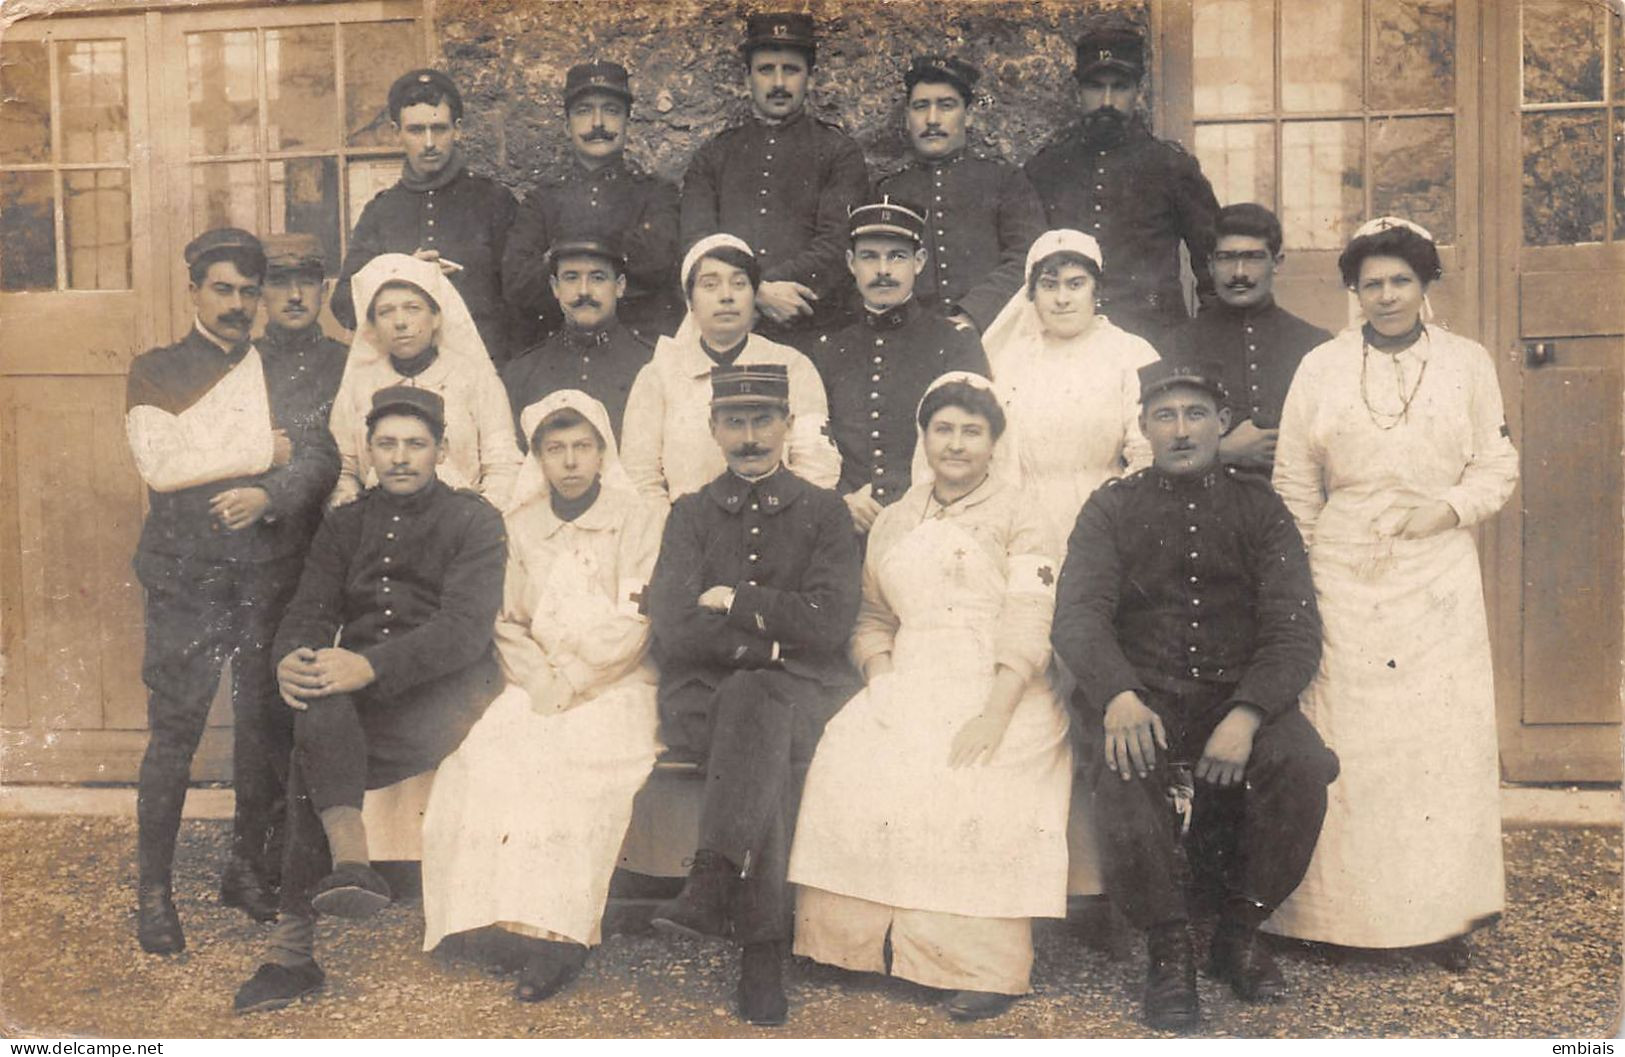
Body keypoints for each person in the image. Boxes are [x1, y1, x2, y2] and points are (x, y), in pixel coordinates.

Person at [1263, 217, 1520, 969]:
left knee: (1432, 747)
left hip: (1434, 572)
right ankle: (1334, 918)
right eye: (1370, 282)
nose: (1385, 295)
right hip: (1342, 575)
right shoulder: (1321, 367)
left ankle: (1439, 915)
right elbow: (1292, 481)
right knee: (1349, 743)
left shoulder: (1466, 364)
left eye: (1399, 280)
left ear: (1423, 285)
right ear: (1353, 290)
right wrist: (1306, 575)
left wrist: (1443, 510)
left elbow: (1494, 467)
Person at [1050, 359, 1337, 1030]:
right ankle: (1167, 947)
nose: (1180, 430)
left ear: (1220, 422)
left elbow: (1294, 628)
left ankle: (1239, 931)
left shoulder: (1260, 509)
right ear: (1143, 426)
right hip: (1143, 697)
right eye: (1164, 416)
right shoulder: (1111, 505)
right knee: (1123, 765)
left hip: (1235, 697)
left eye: (1195, 414)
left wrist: (1247, 712)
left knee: (1300, 762)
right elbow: (1077, 616)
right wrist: (1117, 693)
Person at [789, 372, 1071, 1023]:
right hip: (910, 675)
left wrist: (995, 709)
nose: (956, 443)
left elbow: (1031, 615)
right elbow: (870, 615)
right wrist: (881, 678)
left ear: (993, 441)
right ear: (924, 436)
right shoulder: (893, 518)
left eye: (972, 430)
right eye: (943, 428)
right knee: (850, 748)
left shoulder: (1022, 513)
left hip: (1001, 680)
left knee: (971, 774)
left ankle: (979, 964)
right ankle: (853, 946)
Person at [233, 386, 507, 1014]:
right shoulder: (346, 521)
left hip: (447, 694)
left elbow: (463, 632)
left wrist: (366, 666)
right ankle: (351, 868)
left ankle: (293, 953)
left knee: (313, 742)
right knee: (314, 702)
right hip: (355, 694)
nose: (401, 457)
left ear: (441, 449)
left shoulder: (474, 519)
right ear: (369, 449)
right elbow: (309, 608)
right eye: (387, 444)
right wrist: (293, 661)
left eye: (416, 444)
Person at [125, 228, 339, 953]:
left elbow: (314, 450)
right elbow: (161, 463)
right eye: (223, 289)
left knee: (262, 726)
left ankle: (245, 868)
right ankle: (153, 891)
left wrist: (269, 495)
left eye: (249, 292)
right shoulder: (156, 369)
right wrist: (257, 452)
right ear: (193, 292)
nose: (238, 305)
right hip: (185, 576)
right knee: (176, 730)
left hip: (262, 571)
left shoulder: (276, 368)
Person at [421, 389, 667, 1003]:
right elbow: (507, 621)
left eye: (583, 446)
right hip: (537, 682)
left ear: (602, 452)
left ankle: (557, 935)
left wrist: (578, 680)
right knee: (484, 756)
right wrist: (541, 682)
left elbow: (636, 620)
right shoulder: (520, 525)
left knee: (570, 770)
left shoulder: (637, 521)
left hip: (615, 684)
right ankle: (494, 920)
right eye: (555, 449)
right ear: (538, 457)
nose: (570, 461)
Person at [645, 363, 862, 1026]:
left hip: (802, 693)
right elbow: (673, 624)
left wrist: (739, 601)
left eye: (761, 420)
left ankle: (714, 879)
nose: (749, 437)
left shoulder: (824, 511)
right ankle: (759, 951)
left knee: (757, 714)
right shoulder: (689, 513)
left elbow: (831, 621)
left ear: (787, 425)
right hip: (709, 695)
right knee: (752, 710)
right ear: (712, 429)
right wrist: (765, 646)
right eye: (734, 422)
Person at [236, 232, 353, 900]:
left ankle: (315, 849)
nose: (293, 295)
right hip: (259, 552)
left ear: (324, 290)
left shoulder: (346, 363)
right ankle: (250, 855)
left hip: (329, 545)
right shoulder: (241, 366)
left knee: (319, 689)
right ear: (260, 295)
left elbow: (330, 450)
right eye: (278, 283)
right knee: (257, 694)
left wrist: (276, 470)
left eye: (306, 281)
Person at [680, 11, 869, 354]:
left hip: (812, 331)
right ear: (747, 78)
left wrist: (752, 290)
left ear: (810, 78)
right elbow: (696, 243)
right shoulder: (713, 155)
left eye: (791, 70)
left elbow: (836, 244)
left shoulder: (839, 152)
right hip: (727, 336)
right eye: (766, 70)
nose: (779, 83)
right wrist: (758, 293)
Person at [1024, 23, 1219, 349]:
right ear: (1078, 90)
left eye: (1121, 87)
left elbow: (1213, 265)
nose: (1107, 101)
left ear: (1138, 91)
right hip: (1069, 343)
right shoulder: (1046, 169)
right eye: (1095, 87)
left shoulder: (1171, 166)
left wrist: (1205, 341)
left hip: (1155, 340)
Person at [620, 234, 840, 502]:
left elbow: (816, 465)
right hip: (684, 534)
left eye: (739, 284)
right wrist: (674, 535)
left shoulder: (793, 366)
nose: (726, 296)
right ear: (690, 300)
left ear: (753, 294)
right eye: (710, 285)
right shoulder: (659, 374)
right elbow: (640, 475)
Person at [816, 197, 989, 533]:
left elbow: (975, 443)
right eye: (869, 257)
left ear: (919, 261)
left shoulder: (955, 343)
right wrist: (841, 501)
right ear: (851, 263)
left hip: (933, 527)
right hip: (847, 530)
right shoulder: (828, 350)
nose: (883, 270)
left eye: (897, 256)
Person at [980, 228, 1158, 548]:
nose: (1062, 299)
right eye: (1049, 286)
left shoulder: (1131, 353)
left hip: (1108, 520)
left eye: (1075, 284)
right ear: (1031, 294)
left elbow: (1147, 455)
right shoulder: (1007, 360)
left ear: (1096, 289)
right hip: (1021, 524)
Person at [331, 69, 519, 362]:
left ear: (457, 130)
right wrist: (403, 273)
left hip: (482, 368)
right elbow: (342, 302)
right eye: (416, 130)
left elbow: (522, 299)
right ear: (397, 133)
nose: (429, 143)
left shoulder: (493, 201)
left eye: (440, 129)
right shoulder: (382, 211)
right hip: (403, 375)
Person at [501, 61, 681, 342]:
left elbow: (656, 263)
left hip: (639, 350)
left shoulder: (657, 194)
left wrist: (556, 255)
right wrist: (620, 250)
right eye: (584, 111)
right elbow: (519, 283)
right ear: (566, 124)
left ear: (627, 121)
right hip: (560, 352)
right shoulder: (541, 201)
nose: (598, 124)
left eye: (611, 110)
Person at [328, 253, 523, 509]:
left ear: (436, 318)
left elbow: (503, 463)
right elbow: (345, 466)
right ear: (372, 326)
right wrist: (348, 500)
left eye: (412, 308)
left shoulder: (474, 377)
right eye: (386, 312)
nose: (400, 322)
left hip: (462, 524)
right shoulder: (359, 382)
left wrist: (480, 518)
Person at [876, 55, 1045, 333]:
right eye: (921, 107)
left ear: (969, 115)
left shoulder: (1004, 181)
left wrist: (973, 315)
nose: (932, 119)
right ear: (907, 119)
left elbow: (1029, 256)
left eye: (946, 106)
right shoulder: (889, 190)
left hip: (994, 332)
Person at [1165, 203, 1332, 475]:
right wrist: (1222, 451)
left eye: (1253, 257)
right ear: (1210, 264)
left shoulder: (1314, 344)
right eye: (1226, 258)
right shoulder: (1177, 344)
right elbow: (1153, 449)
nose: (1239, 272)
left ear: (1276, 263)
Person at [501, 235, 654, 445]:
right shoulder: (522, 373)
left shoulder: (653, 365)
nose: (584, 291)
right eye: (571, 278)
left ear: (619, 286)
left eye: (597, 278)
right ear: (555, 287)